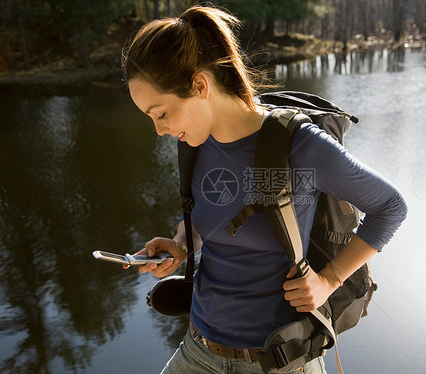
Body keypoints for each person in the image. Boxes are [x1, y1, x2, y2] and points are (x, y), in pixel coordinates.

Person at [121, 5, 407, 374]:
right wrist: (181, 241)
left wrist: (329, 280)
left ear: (199, 86)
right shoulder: (194, 142)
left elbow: (391, 206)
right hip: (199, 349)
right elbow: (207, 213)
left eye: (161, 114)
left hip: (278, 361)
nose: (159, 129)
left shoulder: (299, 146)